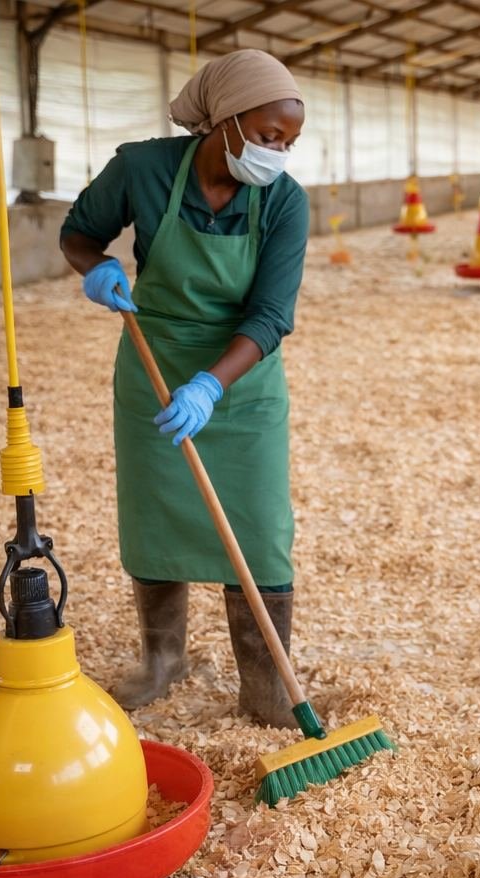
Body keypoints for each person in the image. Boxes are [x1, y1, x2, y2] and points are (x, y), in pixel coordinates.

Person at [59, 49, 309, 723]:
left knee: (258, 526)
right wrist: (98, 270)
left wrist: (210, 386)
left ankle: (264, 688)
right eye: (266, 135)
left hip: (241, 378)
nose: (277, 152)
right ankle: (161, 663)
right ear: (224, 121)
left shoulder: (284, 201)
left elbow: (271, 315)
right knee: (156, 515)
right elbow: (79, 234)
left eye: (288, 141)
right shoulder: (143, 169)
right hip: (155, 366)